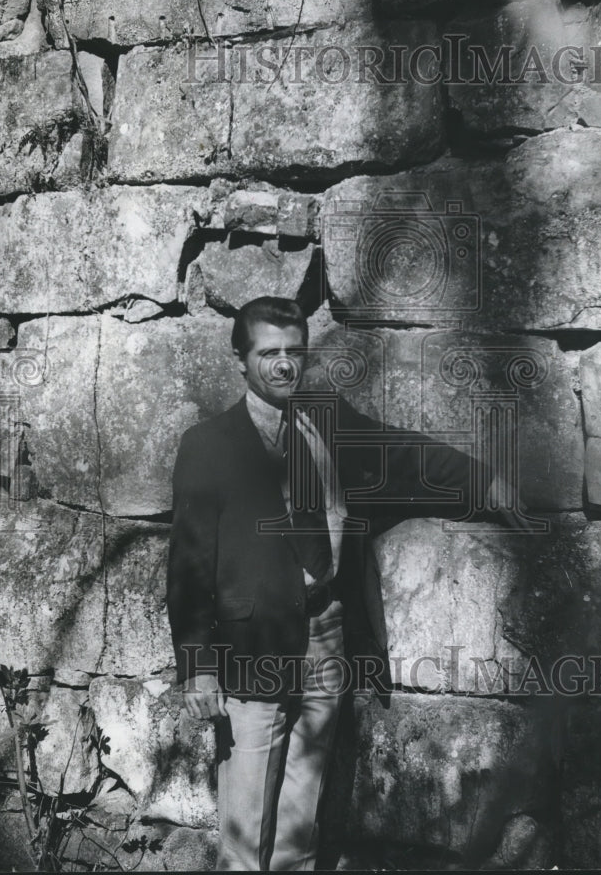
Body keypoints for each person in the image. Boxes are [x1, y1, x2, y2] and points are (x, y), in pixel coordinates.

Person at [166, 297, 523, 871]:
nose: (283, 365)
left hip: (326, 631)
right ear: (241, 359)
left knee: (302, 804)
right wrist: (199, 664)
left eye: (294, 353)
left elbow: (400, 456)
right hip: (253, 644)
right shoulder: (208, 446)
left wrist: (482, 481)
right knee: (248, 805)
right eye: (268, 353)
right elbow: (187, 562)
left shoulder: (324, 418)